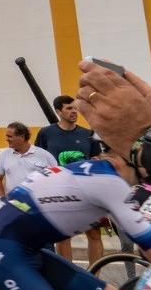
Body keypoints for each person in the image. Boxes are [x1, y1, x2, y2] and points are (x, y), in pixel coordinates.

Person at [0, 142, 151, 290]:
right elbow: (148, 245)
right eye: (139, 180)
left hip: (26, 251)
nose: (137, 186)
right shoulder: (112, 183)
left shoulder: (98, 171)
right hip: (2, 252)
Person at [36, 95, 104, 263]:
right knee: (63, 235)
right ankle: (70, 274)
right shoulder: (46, 133)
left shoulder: (88, 134)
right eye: (69, 108)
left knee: (94, 233)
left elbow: (97, 159)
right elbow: (38, 158)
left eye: (75, 108)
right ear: (59, 111)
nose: (74, 111)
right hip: (57, 190)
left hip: (86, 190)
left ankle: (95, 276)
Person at [0, 121, 57, 196]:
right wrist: (2, 199)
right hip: (13, 203)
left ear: (22, 137)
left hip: (38, 203)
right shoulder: (3, 154)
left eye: (10, 136)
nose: (6, 139)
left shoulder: (45, 155)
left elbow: (56, 178)